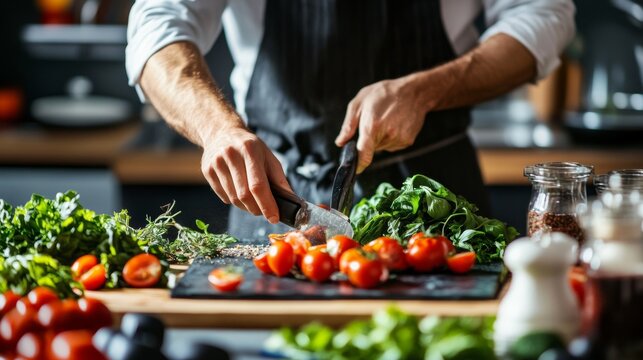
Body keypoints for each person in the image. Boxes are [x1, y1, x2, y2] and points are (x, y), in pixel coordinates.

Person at [126, 0, 574, 240]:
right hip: (273, 195)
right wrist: (217, 128)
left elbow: (544, 12)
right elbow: (157, 20)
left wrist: (425, 89)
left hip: (436, 202)